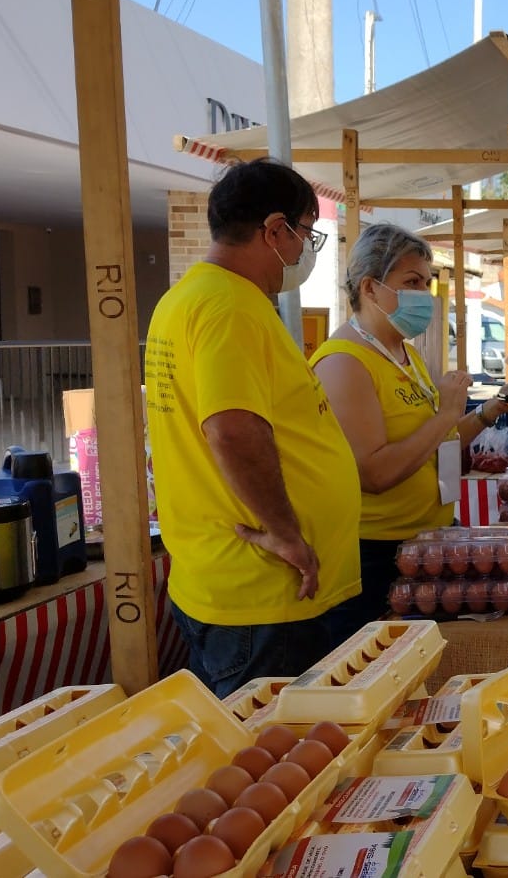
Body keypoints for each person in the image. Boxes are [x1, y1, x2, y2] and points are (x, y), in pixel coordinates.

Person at [144, 159, 360, 696]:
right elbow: (234, 431)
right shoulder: (229, 306)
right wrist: (287, 533)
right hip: (259, 593)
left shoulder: (189, 299)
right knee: (273, 759)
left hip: (233, 583)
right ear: (273, 230)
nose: (305, 250)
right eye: (306, 233)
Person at [311, 223, 508, 643]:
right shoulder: (344, 363)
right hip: (375, 556)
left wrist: (490, 409)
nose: (423, 295)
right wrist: (447, 411)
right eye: (411, 282)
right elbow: (373, 474)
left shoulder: (402, 352)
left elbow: (434, 442)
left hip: (425, 542)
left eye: (426, 283)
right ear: (370, 288)